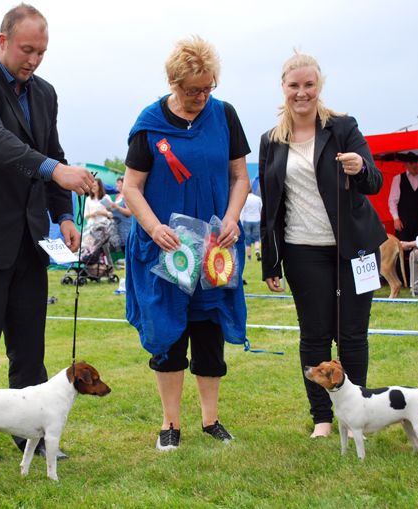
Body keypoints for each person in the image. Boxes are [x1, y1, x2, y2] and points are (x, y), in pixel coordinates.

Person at [0, 3, 95, 469]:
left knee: (30, 352)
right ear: (3, 40)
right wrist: (55, 170)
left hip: (29, 241)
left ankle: (35, 438)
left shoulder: (44, 93)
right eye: (27, 50)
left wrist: (63, 215)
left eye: (42, 52)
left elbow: (53, 152)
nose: (34, 60)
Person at [123, 35, 251, 451]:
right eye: (192, 90)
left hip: (214, 248)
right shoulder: (149, 123)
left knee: (209, 333)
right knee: (169, 335)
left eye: (207, 88)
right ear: (173, 83)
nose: (201, 97)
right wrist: (154, 227)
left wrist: (232, 218)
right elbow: (131, 187)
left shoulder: (225, 115)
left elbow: (240, 177)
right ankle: (170, 424)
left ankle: (211, 420)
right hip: (167, 251)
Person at [258, 50, 386, 438]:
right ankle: (323, 419)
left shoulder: (343, 127)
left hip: (355, 250)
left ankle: (355, 416)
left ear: (320, 86)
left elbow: (374, 182)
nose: (302, 92)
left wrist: (360, 168)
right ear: (283, 88)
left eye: (309, 85)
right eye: (294, 85)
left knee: (352, 336)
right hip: (302, 251)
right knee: (314, 336)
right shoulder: (270, 141)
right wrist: (270, 263)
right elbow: (270, 207)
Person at [110, 176, 133, 253]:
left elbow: (129, 212)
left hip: (126, 228)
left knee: (128, 250)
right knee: (123, 249)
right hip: (118, 229)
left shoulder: (127, 196)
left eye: (119, 183)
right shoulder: (118, 196)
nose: (116, 184)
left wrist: (116, 206)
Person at [240, 188, 262, 262]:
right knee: (256, 238)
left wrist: (241, 222)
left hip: (247, 220)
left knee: (247, 240)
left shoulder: (244, 199)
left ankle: (249, 257)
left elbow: (242, 212)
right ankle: (257, 250)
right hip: (256, 220)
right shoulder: (258, 199)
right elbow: (261, 210)